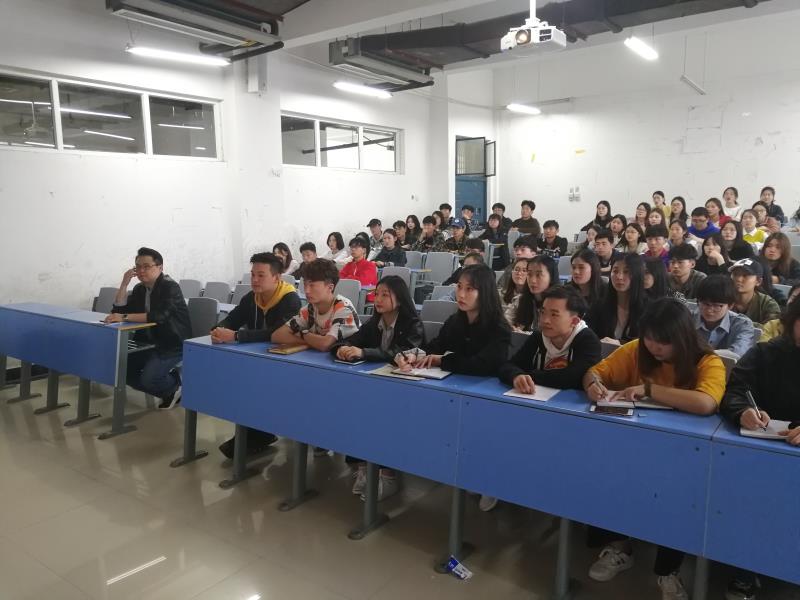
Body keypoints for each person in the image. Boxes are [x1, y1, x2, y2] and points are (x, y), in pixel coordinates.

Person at [583, 298, 725, 600]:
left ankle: (668, 570)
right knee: (606, 474)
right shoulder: (637, 350)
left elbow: (706, 403)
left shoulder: (706, 361)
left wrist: (649, 390)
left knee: (679, 499)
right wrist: (593, 383)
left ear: (682, 337)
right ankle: (619, 547)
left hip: (683, 453)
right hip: (633, 445)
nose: (654, 347)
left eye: (663, 341)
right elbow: (596, 371)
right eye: (649, 338)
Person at [719, 298, 800, 600]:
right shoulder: (766, 353)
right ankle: (745, 570)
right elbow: (735, 390)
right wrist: (742, 411)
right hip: (762, 454)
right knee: (750, 503)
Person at [332, 275, 424, 502]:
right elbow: (350, 340)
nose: (378, 299)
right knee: (354, 407)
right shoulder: (375, 322)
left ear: (399, 299)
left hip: (403, 390)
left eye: (385, 294)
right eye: (377, 293)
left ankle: (388, 474)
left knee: (383, 417)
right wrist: (343, 348)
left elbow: (402, 353)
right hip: (374, 385)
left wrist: (364, 352)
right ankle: (362, 466)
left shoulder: (413, 324)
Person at [211, 252, 302, 458]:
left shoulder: (290, 300)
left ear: (276, 277)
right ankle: (256, 433)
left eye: (261, 275)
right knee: (240, 387)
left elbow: (276, 333)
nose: (254, 280)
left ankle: (258, 433)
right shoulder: (251, 298)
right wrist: (218, 329)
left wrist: (236, 336)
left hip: (284, 362)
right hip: (255, 359)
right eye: (253, 275)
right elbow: (232, 319)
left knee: (253, 390)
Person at [105, 247, 192, 410]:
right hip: (146, 342)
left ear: (160, 267)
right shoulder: (140, 289)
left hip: (171, 343)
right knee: (123, 372)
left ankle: (176, 384)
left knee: (148, 379)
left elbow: (159, 316)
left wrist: (124, 317)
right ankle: (170, 390)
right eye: (138, 267)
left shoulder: (170, 287)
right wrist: (124, 283)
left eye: (146, 266)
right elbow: (120, 310)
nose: (141, 271)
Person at [395, 264, 511, 376]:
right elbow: (436, 346)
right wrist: (415, 356)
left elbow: (484, 365)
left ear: (485, 292)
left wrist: (442, 360)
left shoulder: (499, 327)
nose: (461, 294)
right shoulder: (455, 321)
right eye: (459, 286)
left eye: (469, 289)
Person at [272, 259, 360, 350]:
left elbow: (325, 344)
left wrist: (303, 333)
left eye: (312, 285)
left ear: (330, 287)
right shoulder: (309, 309)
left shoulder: (343, 308)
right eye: (305, 284)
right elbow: (277, 335)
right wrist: (312, 341)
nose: (307, 291)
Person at [586, 253, 646, 343]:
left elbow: (648, 343)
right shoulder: (599, 305)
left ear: (637, 274)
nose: (619, 277)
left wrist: (620, 343)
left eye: (626, 272)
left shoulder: (649, 308)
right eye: (615, 271)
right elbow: (588, 334)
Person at [693, 275, 756, 357]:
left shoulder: (742, 324)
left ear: (730, 305)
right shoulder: (687, 318)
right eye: (705, 304)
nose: (709, 310)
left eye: (717, 306)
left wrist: (703, 355)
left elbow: (738, 353)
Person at [512, 256, 558, 332]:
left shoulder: (559, 303)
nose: (533, 280)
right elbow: (515, 324)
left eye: (538, 275)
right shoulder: (522, 299)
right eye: (529, 274)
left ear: (551, 277)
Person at [730, 258, 781, 326]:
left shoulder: (768, 304)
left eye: (745, 275)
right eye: (735, 274)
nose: (739, 279)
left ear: (758, 281)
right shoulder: (723, 298)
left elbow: (771, 329)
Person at [340, 237, 378, 302]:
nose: (353, 249)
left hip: (365, 297)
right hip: (349, 295)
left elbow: (363, 282)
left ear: (364, 250)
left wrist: (348, 277)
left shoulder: (370, 265)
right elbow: (340, 278)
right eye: (351, 247)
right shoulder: (349, 265)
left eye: (356, 247)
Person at [501, 257, 529, 324]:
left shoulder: (531, 298)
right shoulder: (500, 294)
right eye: (516, 270)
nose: (519, 273)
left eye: (524, 270)